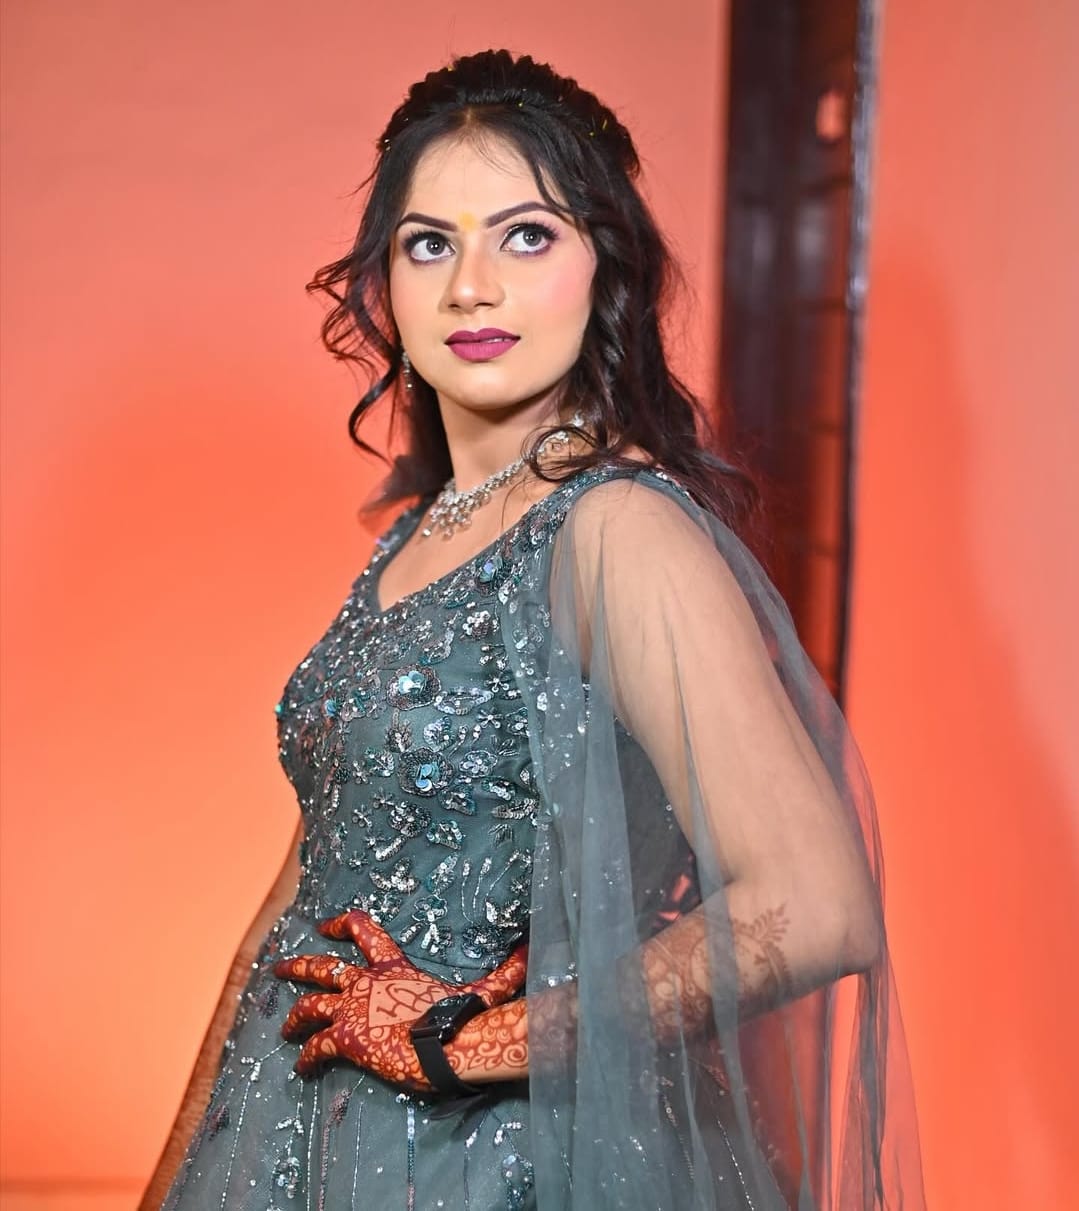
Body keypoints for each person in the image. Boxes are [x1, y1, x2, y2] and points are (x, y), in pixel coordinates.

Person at [142, 49, 924, 1211]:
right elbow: (300, 894)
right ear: (384, 285)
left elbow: (817, 904)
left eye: (525, 236)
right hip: (293, 1135)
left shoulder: (614, 527)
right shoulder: (419, 534)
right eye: (428, 244)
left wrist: (471, 1040)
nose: (471, 287)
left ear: (605, 268)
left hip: (495, 1164)